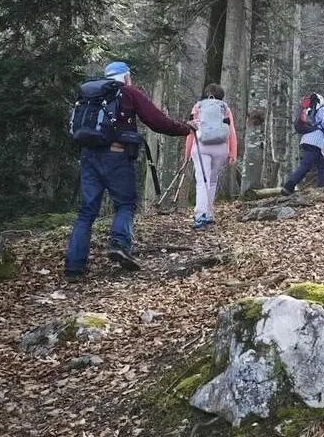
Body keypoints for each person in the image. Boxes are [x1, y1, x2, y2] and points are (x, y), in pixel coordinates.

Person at [65, 61, 196, 282]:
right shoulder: (128, 93)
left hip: (89, 156)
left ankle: (73, 268)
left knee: (86, 213)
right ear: (125, 77)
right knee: (125, 204)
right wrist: (186, 128)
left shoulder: (90, 95)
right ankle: (119, 244)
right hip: (117, 157)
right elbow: (157, 121)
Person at [185, 83, 238, 230]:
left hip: (201, 146)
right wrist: (233, 152)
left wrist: (188, 152)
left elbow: (191, 130)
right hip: (221, 148)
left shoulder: (198, 107)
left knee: (202, 180)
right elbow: (231, 131)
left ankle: (200, 215)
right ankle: (208, 214)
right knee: (212, 180)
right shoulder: (225, 108)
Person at [282, 92, 324, 195]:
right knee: (305, 165)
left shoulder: (314, 110)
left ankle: (322, 187)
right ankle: (288, 187)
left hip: (308, 139)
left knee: (322, 164)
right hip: (315, 141)